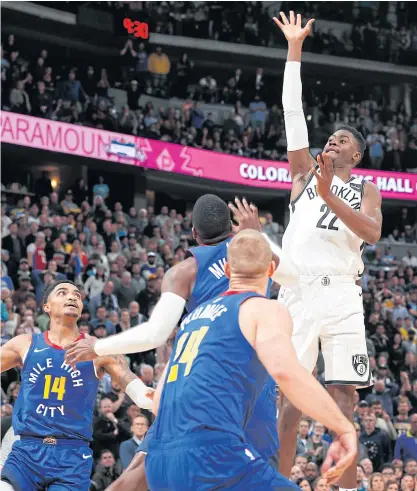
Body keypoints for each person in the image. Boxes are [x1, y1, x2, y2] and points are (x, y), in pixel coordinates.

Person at [65, 195, 299, 491]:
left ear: (193, 233)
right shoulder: (252, 251)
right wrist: (258, 236)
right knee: (262, 475)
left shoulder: (184, 272)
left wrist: (97, 346)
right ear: (232, 227)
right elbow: (294, 277)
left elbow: (155, 333)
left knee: (139, 476)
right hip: (252, 379)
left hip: (198, 379)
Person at [144, 230, 357, 489]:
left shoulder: (192, 318)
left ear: (226, 270)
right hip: (212, 456)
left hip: (159, 464)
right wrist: (343, 428)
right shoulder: (263, 308)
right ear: (271, 269)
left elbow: (158, 401)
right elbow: (285, 371)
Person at [273, 11, 383, 491]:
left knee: (343, 401)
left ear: (355, 156)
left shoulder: (365, 188)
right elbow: (291, 112)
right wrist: (295, 49)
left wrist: (331, 191)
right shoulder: (302, 177)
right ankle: (275, 484)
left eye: (342, 141)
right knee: (290, 403)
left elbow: (373, 234)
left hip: (341, 295)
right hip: (296, 295)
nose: (332, 141)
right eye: (330, 138)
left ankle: (345, 486)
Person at [0, 280, 154, 491]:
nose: (72, 297)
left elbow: (137, 389)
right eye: (62, 293)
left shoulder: (98, 349)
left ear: (81, 307)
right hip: (27, 451)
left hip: (71, 456)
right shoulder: (25, 343)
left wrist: (154, 396)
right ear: (47, 306)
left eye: (77, 295)